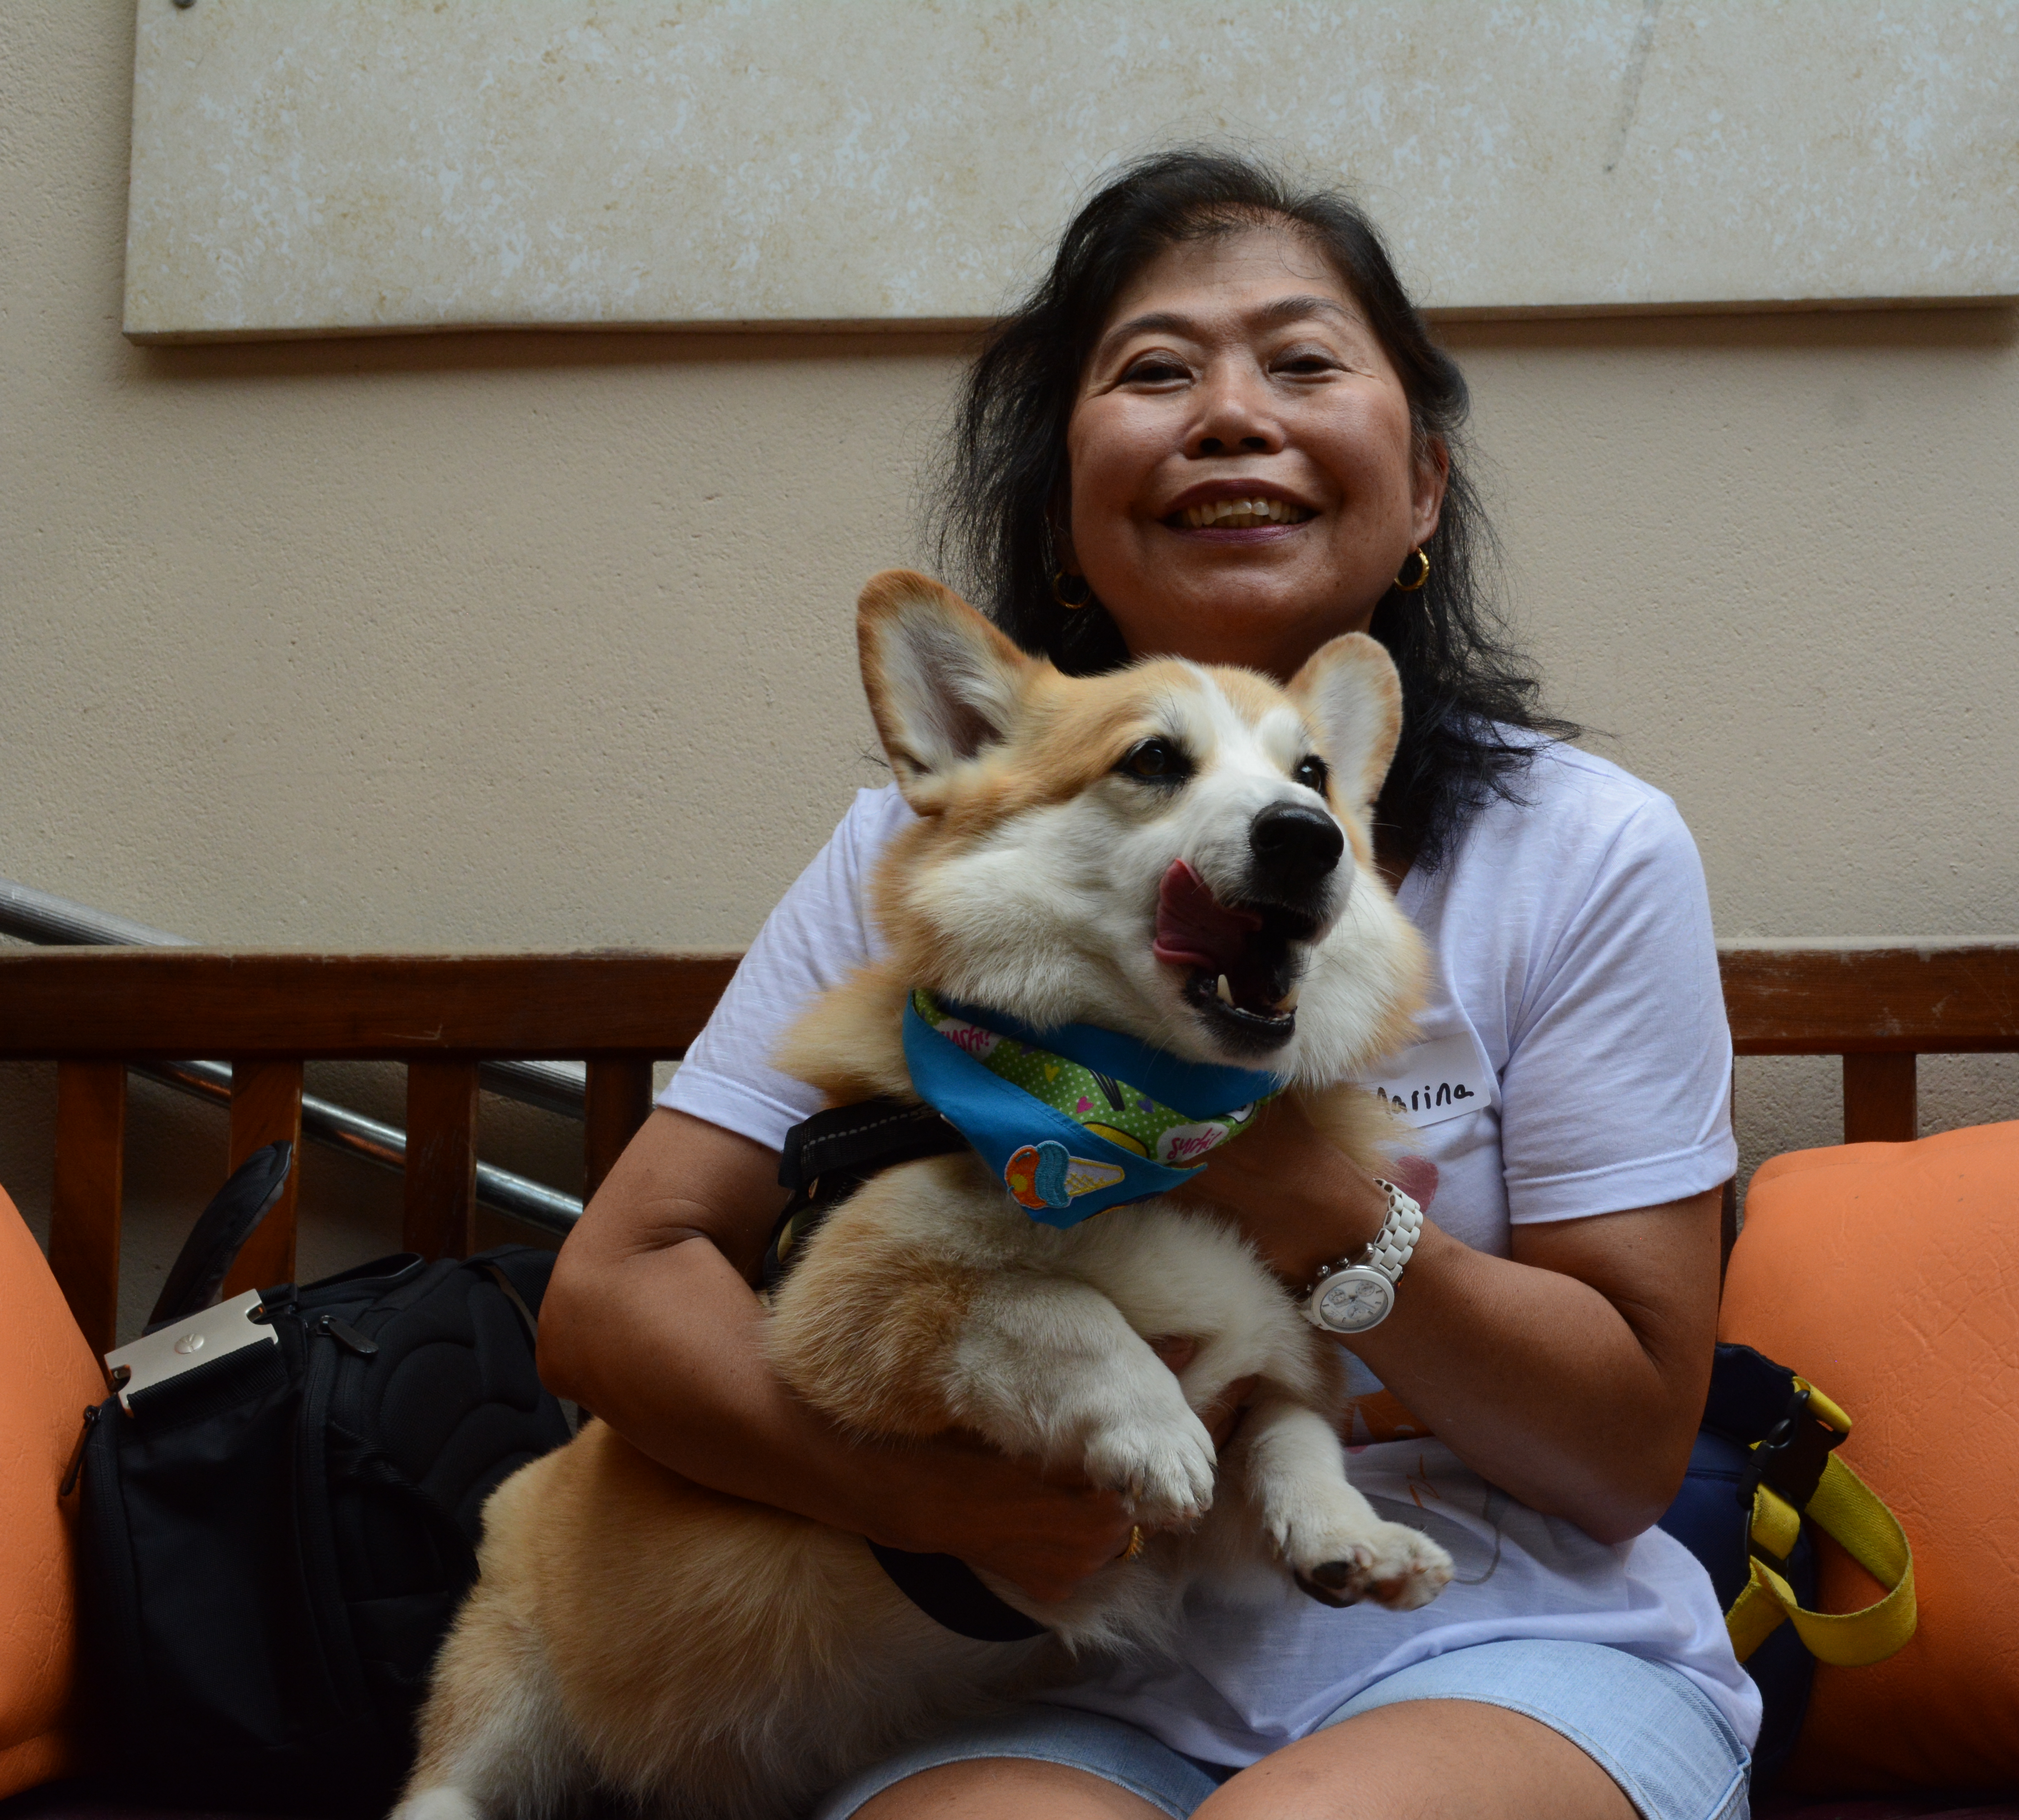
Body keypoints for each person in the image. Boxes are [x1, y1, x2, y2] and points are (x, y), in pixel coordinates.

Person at [542, 150, 1746, 1820]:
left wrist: (1279, 1174)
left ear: (1422, 492)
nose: (1233, 413)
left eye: (1306, 362)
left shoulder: (1589, 850)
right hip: (1021, 1654)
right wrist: (921, 1505)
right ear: (1063, 511)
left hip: (1491, 1624)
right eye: (1158, 370)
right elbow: (615, 1290)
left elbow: (1621, 1455)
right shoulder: (931, 859)